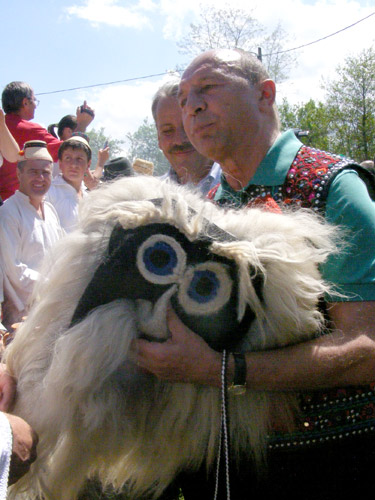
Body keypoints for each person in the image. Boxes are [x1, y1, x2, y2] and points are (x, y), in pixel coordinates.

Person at [134, 49, 375, 499]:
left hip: (332, 465)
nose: (192, 107)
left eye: (208, 88)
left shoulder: (333, 186)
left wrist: (220, 370)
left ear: (265, 95)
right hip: (226, 466)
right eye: (185, 98)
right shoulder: (205, 207)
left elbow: (366, 348)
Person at [0, 141, 64, 331]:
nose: (40, 178)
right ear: (19, 174)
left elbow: (60, 255)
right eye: (33, 172)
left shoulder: (51, 210)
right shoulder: (9, 212)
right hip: (22, 318)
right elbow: (14, 270)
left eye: (45, 173)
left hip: (52, 310)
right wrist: (53, 284)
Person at [0, 81, 95, 200]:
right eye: (34, 100)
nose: (35, 105)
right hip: (20, 205)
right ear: (25, 102)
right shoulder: (29, 130)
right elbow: (66, 151)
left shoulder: (5, 126)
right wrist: (82, 125)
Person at [152, 81, 221, 195]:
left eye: (187, 126)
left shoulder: (239, 188)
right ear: (158, 138)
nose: (179, 140)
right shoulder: (151, 196)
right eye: (167, 131)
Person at [46, 136, 92, 233]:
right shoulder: (48, 193)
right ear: (60, 163)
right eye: (68, 158)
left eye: (79, 159)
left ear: (88, 164)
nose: (73, 165)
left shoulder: (89, 198)